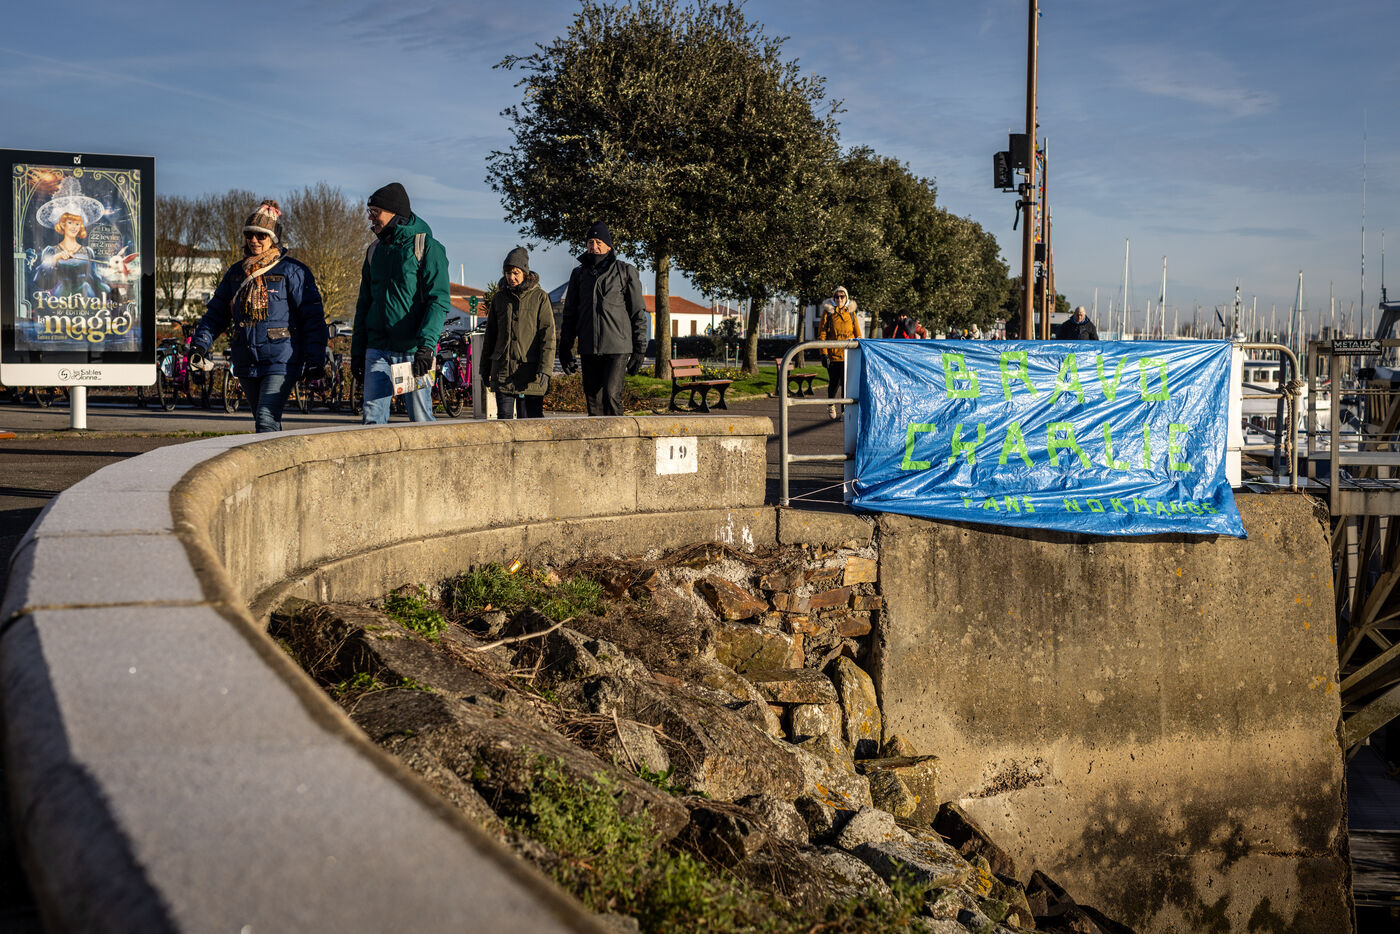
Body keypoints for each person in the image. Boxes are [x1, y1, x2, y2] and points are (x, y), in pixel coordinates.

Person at [191, 200, 327, 433]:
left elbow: (312, 318)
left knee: (265, 418)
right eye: (249, 235)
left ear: (273, 238)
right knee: (266, 422)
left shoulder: (293, 271)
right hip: (246, 359)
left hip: (281, 359)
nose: (254, 240)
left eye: (261, 235)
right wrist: (200, 345)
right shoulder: (236, 273)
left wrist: (315, 360)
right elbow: (215, 314)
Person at [350, 182, 451, 424]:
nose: (370, 218)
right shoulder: (373, 251)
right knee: (372, 421)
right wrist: (357, 352)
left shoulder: (427, 247)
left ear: (394, 212)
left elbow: (438, 301)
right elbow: (364, 304)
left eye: (375, 212)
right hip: (377, 349)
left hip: (413, 352)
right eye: (370, 211)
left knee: (420, 419)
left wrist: (427, 347)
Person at [559, 221, 647, 416]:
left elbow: (637, 313)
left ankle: (618, 436)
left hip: (617, 347)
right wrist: (565, 347)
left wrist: (640, 350)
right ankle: (597, 437)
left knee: (611, 395)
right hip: (589, 347)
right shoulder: (579, 274)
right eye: (590, 242)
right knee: (593, 401)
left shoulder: (625, 272)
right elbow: (570, 313)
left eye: (599, 242)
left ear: (608, 246)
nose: (594, 246)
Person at [483, 246, 555, 419]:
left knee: (531, 421)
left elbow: (548, 336)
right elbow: (490, 336)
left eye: (516, 273)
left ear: (525, 273)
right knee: (504, 422)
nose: (511, 277)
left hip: (530, 372)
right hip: (503, 371)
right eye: (508, 273)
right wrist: (484, 369)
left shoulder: (540, 297)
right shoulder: (499, 298)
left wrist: (545, 369)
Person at [817, 286, 861, 418]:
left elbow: (858, 334)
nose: (839, 299)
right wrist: (823, 354)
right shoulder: (828, 313)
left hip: (849, 355)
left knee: (846, 384)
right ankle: (831, 404)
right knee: (834, 383)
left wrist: (860, 349)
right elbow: (822, 334)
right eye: (837, 297)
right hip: (833, 355)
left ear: (846, 298)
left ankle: (844, 410)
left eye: (842, 296)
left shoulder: (851, 313)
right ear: (834, 298)